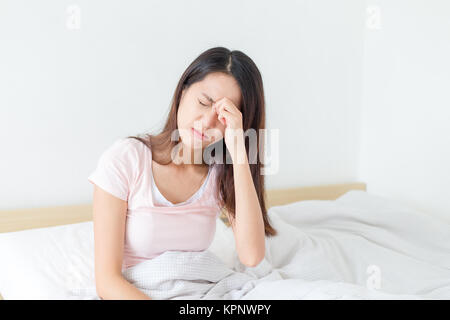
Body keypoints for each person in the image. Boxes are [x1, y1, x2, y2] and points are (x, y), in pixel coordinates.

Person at [88, 47, 277, 300]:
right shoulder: (127, 159)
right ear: (183, 90)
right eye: (203, 102)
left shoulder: (221, 173)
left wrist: (239, 154)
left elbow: (251, 255)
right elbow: (107, 282)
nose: (207, 122)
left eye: (223, 116)